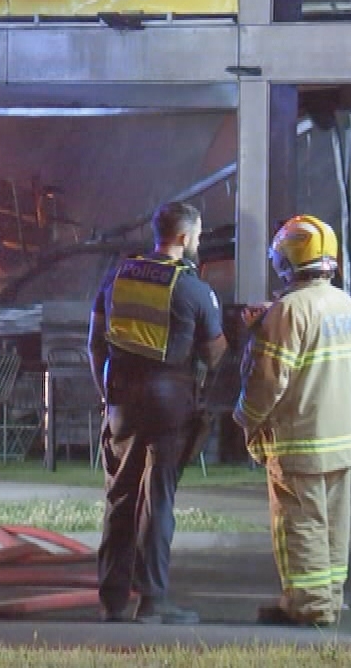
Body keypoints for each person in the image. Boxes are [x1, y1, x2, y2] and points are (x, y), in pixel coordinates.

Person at [88, 200, 225, 625]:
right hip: (170, 402)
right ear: (184, 238)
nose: (198, 243)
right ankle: (153, 600)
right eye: (198, 236)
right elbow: (215, 352)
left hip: (123, 400)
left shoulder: (117, 276)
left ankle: (112, 601)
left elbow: (95, 343)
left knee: (120, 496)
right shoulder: (193, 288)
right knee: (158, 498)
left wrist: (106, 395)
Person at [235, 214, 351, 628]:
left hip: (299, 440)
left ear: (287, 260)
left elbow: (269, 382)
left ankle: (308, 608)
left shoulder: (287, 311)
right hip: (339, 438)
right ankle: (329, 600)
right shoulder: (343, 303)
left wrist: (244, 419)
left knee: (301, 526)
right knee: (332, 528)